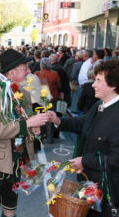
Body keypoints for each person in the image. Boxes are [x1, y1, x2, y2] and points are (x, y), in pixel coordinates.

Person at [0, 49, 49, 217]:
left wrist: (35, 129)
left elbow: (27, 121)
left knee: (10, 208)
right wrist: (28, 124)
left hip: (17, 160)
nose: (29, 71)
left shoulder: (22, 92)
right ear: (12, 71)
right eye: (25, 68)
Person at [48, 59, 119, 217]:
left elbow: (116, 158)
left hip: (108, 192)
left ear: (113, 84)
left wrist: (85, 160)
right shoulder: (100, 104)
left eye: (98, 80)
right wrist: (58, 120)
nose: (93, 84)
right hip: (90, 184)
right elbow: (83, 123)